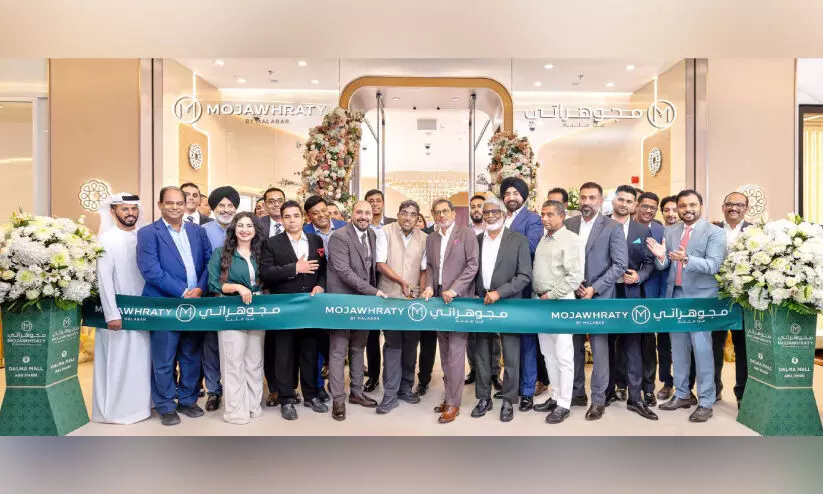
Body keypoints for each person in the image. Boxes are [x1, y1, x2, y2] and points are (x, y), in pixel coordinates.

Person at [648, 189, 726, 422]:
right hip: (676, 297)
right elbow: (665, 266)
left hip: (701, 299)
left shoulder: (715, 232)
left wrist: (687, 259)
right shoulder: (671, 231)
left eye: (692, 205)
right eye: (682, 206)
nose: (687, 210)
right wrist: (661, 257)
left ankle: (706, 402)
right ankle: (682, 394)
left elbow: (714, 265)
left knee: (702, 352)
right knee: (678, 350)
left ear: (701, 206)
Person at [136, 186, 212, 426]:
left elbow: (209, 263)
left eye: (180, 203)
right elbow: (150, 270)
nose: (175, 207)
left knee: (191, 355)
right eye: (170, 203)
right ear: (160, 205)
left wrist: (199, 289)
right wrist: (182, 292)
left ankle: (188, 400)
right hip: (165, 306)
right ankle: (166, 405)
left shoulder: (198, 231)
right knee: (164, 359)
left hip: (195, 304)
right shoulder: (148, 233)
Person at [563, 181, 627, 421]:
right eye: (583, 197)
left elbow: (619, 264)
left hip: (600, 297)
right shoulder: (568, 224)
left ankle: (598, 400)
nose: (587, 202)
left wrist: (594, 287)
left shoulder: (612, 227)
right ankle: (577, 392)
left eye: (592, 198)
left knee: (600, 352)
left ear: (600, 201)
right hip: (572, 296)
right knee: (574, 348)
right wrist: (572, 284)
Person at [259, 201, 329, 420]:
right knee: (284, 355)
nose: (292, 220)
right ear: (282, 220)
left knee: (309, 351)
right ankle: (286, 399)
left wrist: (321, 285)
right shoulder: (272, 243)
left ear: (303, 217)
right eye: (287, 216)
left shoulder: (316, 240)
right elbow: (266, 273)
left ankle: (310, 395)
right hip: (285, 307)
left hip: (310, 305)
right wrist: (294, 268)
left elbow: (323, 269)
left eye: (296, 216)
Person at [471, 197, 531, 422]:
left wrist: (499, 292)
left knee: (511, 354)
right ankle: (483, 398)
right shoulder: (476, 240)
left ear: (504, 215)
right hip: (481, 302)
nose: (490, 216)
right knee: (482, 353)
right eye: (486, 212)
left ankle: (508, 401)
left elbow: (524, 275)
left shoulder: (519, 240)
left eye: (495, 212)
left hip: (509, 302)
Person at [92, 193, 151, 425]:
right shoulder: (107, 239)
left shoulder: (143, 236)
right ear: (113, 212)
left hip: (144, 312)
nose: (130, 213)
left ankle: (141, 407)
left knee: (141, 361)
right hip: (119, 315)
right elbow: (104, 280)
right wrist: (112, 314)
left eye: (133, 209)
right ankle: (117, 412)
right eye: (124, 209)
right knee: (118, 362)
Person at [326, 200, 385, 420]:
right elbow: (344, 272)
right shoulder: (339, 237)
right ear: (351, 214)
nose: (363, 216)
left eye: (367, 213)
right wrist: (374, 292)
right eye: (359, 212)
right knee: (338, 351)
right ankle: (338, 399)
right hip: (342, 301)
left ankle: (357, 393)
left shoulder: (372, 235)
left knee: (359, 348)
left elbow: (370, 269)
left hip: (364, 303)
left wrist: (371, 294)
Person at [422, 198, 479, 424]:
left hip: (459, 300)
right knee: (445, 353)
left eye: (445, 211)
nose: (441, 216)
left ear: (454, 214)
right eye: (437, 212)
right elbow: (430, 267)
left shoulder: (466, 234)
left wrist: (455, 289)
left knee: (456, 354)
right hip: (438, 301)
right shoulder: (432, 238)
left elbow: (473, 265)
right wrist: (428, 286)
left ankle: (454, 403)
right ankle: (449, 397)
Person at [206, 212, 265, 424]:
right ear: (234, 229)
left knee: (254, 361)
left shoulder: (262, 253)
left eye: (249, 225)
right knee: (233, 361)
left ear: (255, 229)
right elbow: (213, 283)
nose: (245, 230)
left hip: (258, 312)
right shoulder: (221, 253)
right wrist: (237, 287)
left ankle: (252, 406)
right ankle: (235, 411)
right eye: (240, 225)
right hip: (231, 312)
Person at [606, 185, 658, 420]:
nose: (624, 204)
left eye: (629, 201)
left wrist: (639, 276)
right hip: (606, 292)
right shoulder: (601, 225)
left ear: (634, 205)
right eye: (621, 199)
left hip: (631, 293)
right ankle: (608, 391)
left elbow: (649, 263)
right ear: (613, 201)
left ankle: (635, 398)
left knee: (633, 346)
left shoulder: (642, 230)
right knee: (606, 344)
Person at [532, 200, 584, 424]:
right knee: (548, 353)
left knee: (563, 355)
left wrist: (551, 295)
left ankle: (564, 404)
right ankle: (555, 396)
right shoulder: (544, 238)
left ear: (562, 217)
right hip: (541, 303)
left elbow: (575, 277)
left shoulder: (571, 239)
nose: (544, 218)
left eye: (550, 215)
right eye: (543, 214)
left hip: (560, 301)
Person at [374, 200, 428, 414]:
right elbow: (380, 264)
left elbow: (424, 270)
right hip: (391, 297)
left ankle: (406, 387)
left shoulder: (424, 238)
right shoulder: (384, 232)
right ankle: (390, 394)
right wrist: (402, 282)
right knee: (393, 345)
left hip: (413, 300)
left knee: (411, 345)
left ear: (417, 218)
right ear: (397, 214)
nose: (408, 218)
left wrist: (420, 291)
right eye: (404, 213)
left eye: (413, 214)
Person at [500, 176, 543, 412]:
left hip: (523, 287)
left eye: (516, 193)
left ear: (524, 196)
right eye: (507, 193)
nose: (511, 197)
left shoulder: (533, 219)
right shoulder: (499, 218)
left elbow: (531, 247)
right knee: (508, 340)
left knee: (526, 341)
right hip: (500, 289)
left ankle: (527, 391)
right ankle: (511, 386)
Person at [200, 186, 241, 413]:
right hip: (211, 295)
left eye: (230, 205)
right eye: (221, 205)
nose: (226, 210)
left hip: (240, 297)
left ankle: (237, 388)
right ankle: (214, 390)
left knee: (237, 345)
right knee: (211, 346)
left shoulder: (244, 228)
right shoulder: (202, 231)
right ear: (213, 208)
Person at [303, 195, 346, 402]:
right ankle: (318, 385)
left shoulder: (344, 227)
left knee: (340, 339)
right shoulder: (304, 232)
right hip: (317, 290)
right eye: (315, 213)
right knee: (318, 340)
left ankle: (338, 384)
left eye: (323, 210)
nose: (321, 215)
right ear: (309, 216)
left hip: (344, 290)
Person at [711, 191, 752, 408]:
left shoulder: (756, 232)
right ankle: (713, 389)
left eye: (739, 204)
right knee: (713, 344)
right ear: (723, 207)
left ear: (747, 208)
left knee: (742, 346)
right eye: (729, 204)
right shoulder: (712, 229)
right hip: (715, 295)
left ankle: (742, 393)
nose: (734, 208)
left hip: (743, 298)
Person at [634, 191, 675, 403]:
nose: (648, 210)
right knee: (627, 340)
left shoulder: (661, 231)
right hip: (625, 291)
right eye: (645, 206)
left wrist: (660, 258)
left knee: (651, 341)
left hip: (652, 292)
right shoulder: (622, 226)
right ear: (637, 205)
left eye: (653, 207)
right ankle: (623, 385)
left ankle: (649, 387)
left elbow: (664, 264)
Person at [465, 193, 502, 391]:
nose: (477, 210)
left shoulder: (498, 231)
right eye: (473, 206)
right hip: (474, 293)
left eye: (480, 206)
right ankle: (475, 370)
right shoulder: (466, 233)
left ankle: (494, 372)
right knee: (473, 336)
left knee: (493, 335)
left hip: (494, 293)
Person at [363, 189, 396, 393]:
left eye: (378, 201)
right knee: (371, 334)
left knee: (392, 333)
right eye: (371, 201)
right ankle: (374, 375)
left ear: (383, 203)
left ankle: (393, 376)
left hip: (391, 283)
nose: (375, 204)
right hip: (369, 284)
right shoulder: (361, 224)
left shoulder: (394, 223)